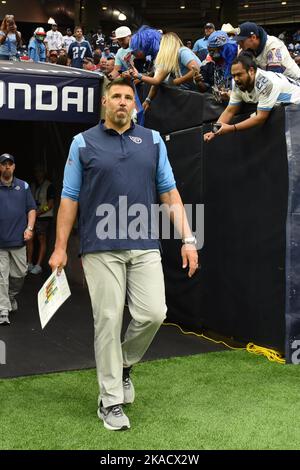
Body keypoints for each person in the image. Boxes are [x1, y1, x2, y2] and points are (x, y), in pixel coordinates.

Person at [49, 77, 198, 431]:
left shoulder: (152, 141)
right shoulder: (82, 143)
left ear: (135, 104)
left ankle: (125, 365)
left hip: (145, 242)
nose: (121, 101)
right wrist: (59, 248)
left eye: (128, 97)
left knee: (153, 313)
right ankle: (111, 401)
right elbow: (69, 199)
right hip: (100, 247)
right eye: (115, 96)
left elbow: (170, 194)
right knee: (109, 320)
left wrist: (189, 239)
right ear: (104, 103)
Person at [203, 52, 300, 142]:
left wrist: (231, 128)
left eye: (239, 74)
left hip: (296, 106)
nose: (236, 79)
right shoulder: (238, 82)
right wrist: (214, 131)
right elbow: (230, 110)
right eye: (234, 75)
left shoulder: (266, 83)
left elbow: (260, 118)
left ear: (251, 71)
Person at [0, 153, 36, 325]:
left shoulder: (24, 186)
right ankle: (3, 310)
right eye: (3, 164)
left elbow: (31, 209)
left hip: (19, 241)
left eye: (10, 164)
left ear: (14, 166)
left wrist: (29, 228)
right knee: (1, 277)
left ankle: (11, 297)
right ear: (0, 167)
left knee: (20, 274)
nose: (7, 166)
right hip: (0, 243)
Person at [130, 32, 201, 110]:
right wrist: (148, 100)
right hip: (189, 94)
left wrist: (178, 81)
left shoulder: (182, 52)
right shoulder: (171, 58)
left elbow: (196, 69)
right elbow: (157, 81)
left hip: (198, 95)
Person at [234, 22, 300, 81]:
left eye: (242, 41)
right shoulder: (248, 49)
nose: (239, 43)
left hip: (294, 81)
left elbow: (274, 76)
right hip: (280, 82)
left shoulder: (272, 44)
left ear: (253, 37)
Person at [194, 30, 238, 101]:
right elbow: (204, 89)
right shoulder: (210, 66)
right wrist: (199, 82)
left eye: (212, 51)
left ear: (222, 49)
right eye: (209, 51)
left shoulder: (237, 65)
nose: (210, 54)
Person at [27, 167, 55, 275]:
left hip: (44, 217)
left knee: (41, 239)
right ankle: (29, 263)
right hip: (33, 216)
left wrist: (38, 212)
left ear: (44, 173)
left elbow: (50, 205)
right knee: (29, 238)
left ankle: (38, 265)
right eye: (37, 171)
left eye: (40, 171)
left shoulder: (49, 186)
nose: (38, 173)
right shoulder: (33, 186)